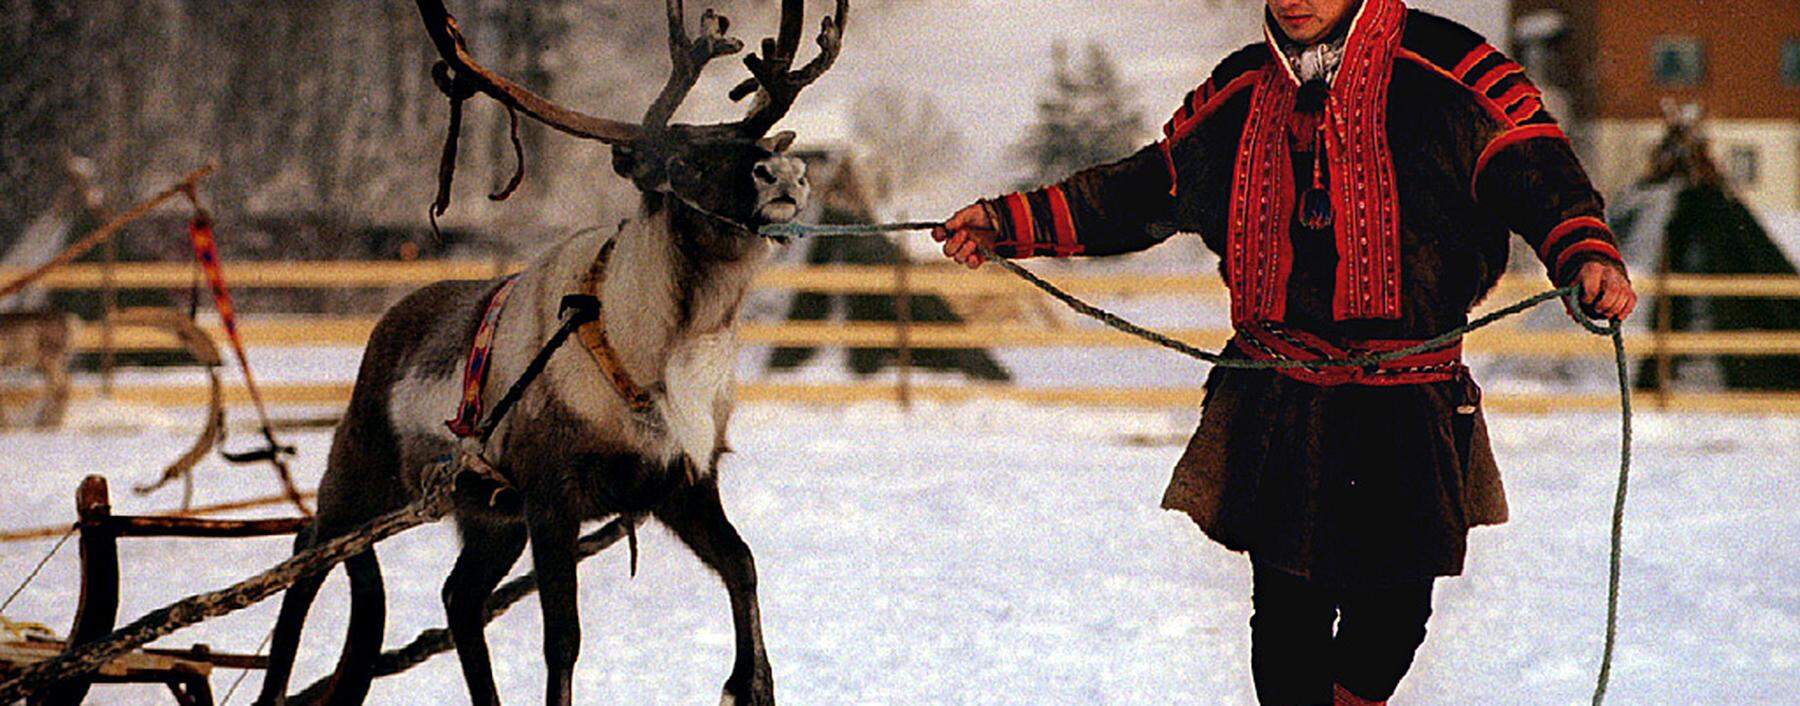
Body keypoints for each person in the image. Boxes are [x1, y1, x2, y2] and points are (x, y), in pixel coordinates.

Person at [932, 0, 1637, 704]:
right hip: (1281, 397)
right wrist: (1006, 223)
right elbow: (1141, 192)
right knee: (1287, 615)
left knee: (1394, 616)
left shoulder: (1453, 74)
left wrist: (1585, 255)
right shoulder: (1240, 95)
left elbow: (1542, 174)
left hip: (1404, 401)